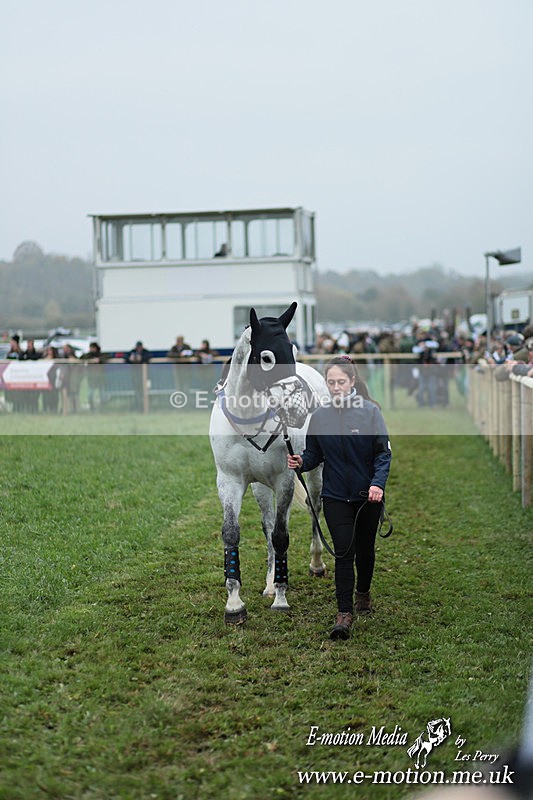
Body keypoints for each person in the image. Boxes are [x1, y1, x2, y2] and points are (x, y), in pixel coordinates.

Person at [287, 356, 392, 641]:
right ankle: (344, 613)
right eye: (330, 382)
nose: (335, 387)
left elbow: (383, 454)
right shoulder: (320, 416)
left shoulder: (371, 413)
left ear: (352, 382)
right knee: (344, 554)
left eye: (340, 382)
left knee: (365, 551)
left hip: (368, 496)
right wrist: (301, 462)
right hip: (334, 496)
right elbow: (315, 454)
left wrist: (377, 485)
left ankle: (363, 593)